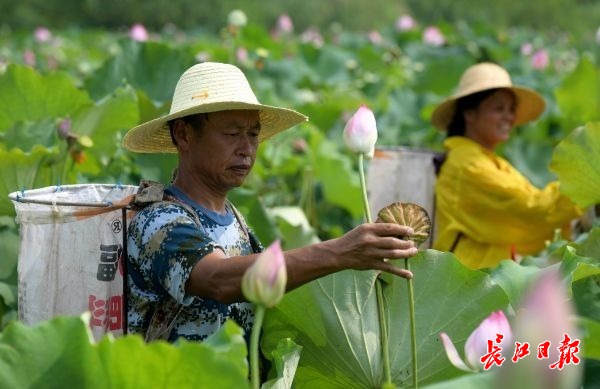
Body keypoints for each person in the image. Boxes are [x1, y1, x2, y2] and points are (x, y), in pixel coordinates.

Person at [122, 62, 418, 342]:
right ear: (184, 135)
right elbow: (217, 279)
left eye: (254, 135)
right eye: (232, 134)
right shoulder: (158, 221)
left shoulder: (235, 219)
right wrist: (340, 252)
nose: (247, 149)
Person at [430, 62, 581, 270]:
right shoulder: (467, 165)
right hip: (468, 284)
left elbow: (528, 222)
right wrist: (583, 188)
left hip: (490, 279)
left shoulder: (491, 161)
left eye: (511, 109)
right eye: (498, 108)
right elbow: (530, 209)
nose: (509, 117)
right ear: (469, 113)